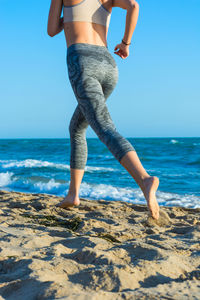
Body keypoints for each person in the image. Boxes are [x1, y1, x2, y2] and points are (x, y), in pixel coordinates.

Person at [47, 0, 160, 220]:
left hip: (82, 60)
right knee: (77, 127)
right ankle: (73, 194)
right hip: (108, 64)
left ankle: (145, 179)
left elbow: (52, 31)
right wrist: (126, 43)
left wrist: (69, 17)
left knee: (104, 127)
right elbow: (134, 6)